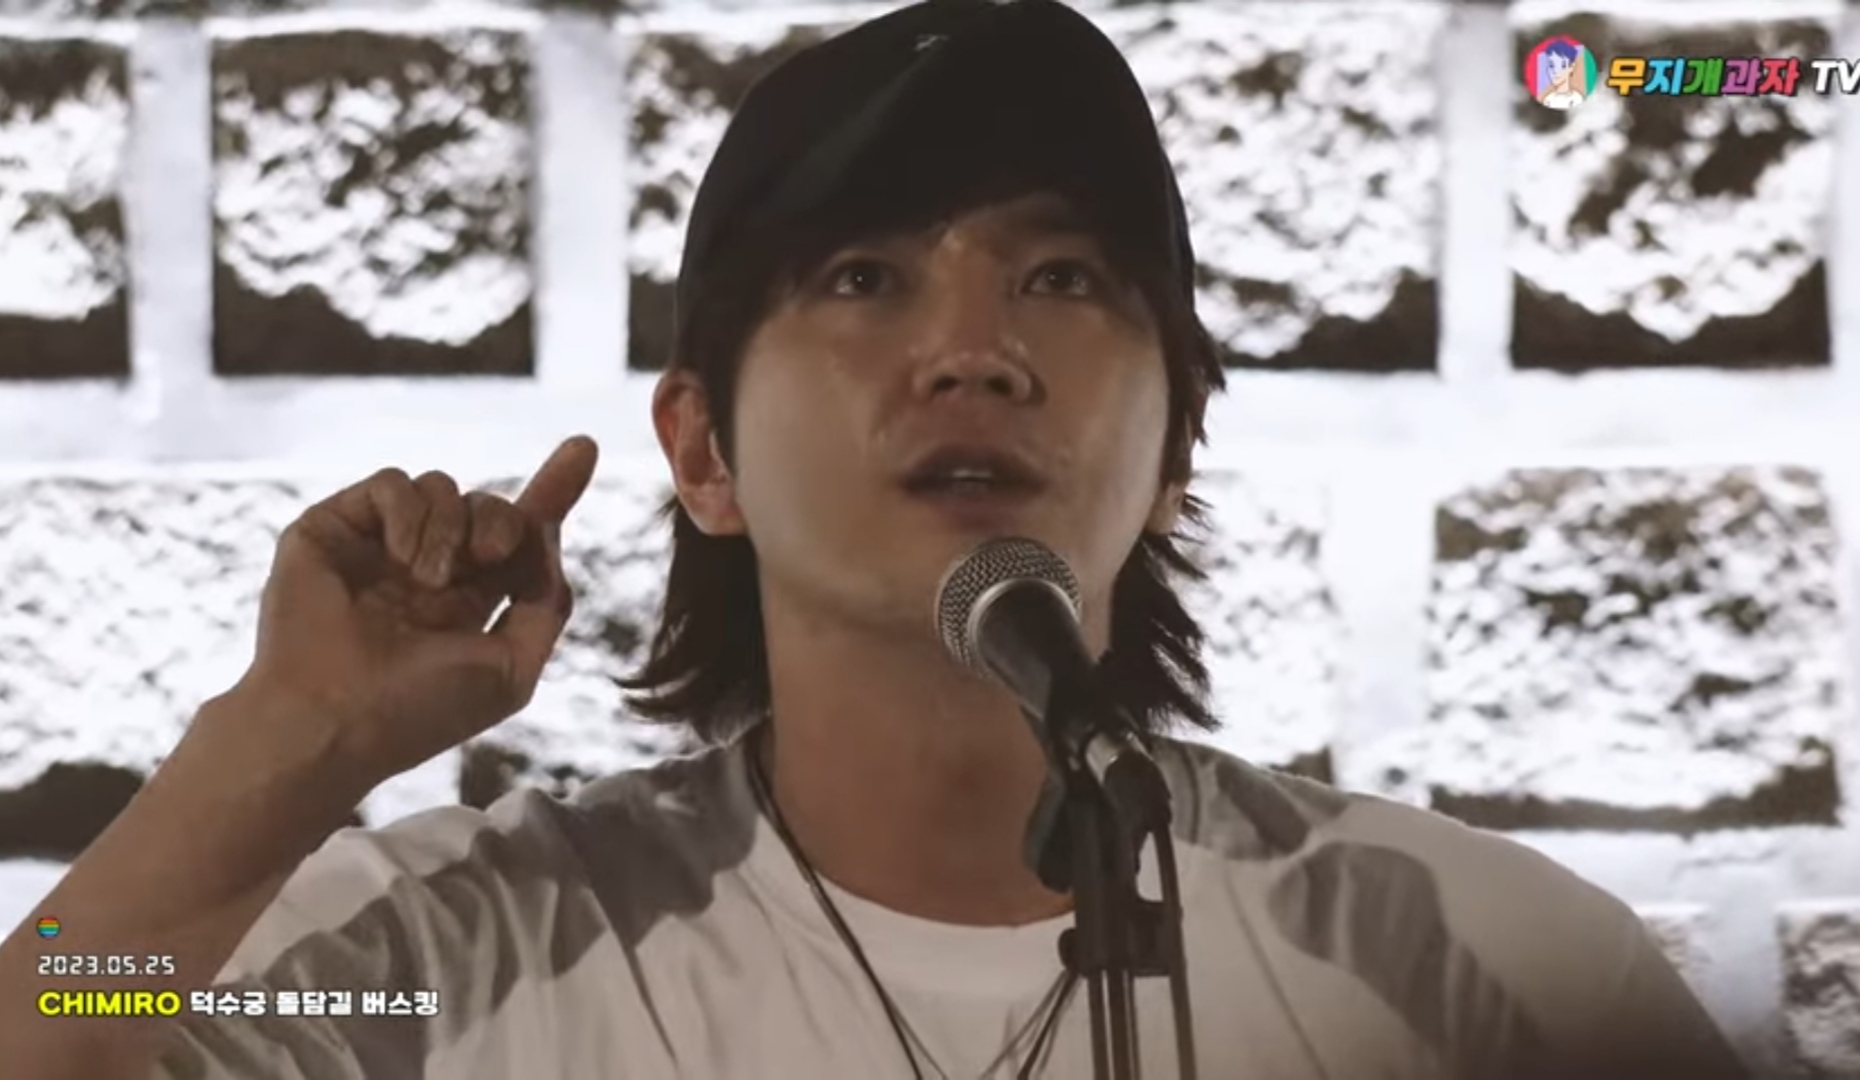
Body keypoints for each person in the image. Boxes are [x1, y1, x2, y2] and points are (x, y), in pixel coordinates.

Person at [0, 1, 1747, 1077]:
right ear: (703, 451)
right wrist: (283, 749)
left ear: (1179, 446)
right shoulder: (449, 957)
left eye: (1062, 278)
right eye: (863, 278)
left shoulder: (1489, 971)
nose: (974, 348)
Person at [1537, 40, 1588, 110]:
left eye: (1562, 66)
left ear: (1571, 67)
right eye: (1551, 65)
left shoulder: (1578, 99)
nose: (1555, 71)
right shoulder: (1547, 100)